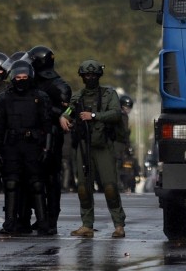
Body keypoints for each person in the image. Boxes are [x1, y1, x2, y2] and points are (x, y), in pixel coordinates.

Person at [59, 59, 126, 239]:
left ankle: (119, 224)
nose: (90, 78)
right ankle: (87, 224)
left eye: (93, 75)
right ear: (81, 76)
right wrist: (63, 118)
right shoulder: (77, 96)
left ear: (99, 76)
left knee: (110, 187)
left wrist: (94, 115)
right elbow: (69, 112)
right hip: (83, 146)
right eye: (87, 75)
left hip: (103, 145)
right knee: (83, 188)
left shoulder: (108, 94)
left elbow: (116, 113)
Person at [0, 61, 55, 235]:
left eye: (24, 77)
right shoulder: (4, 98)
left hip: (33, 145)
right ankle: (10, 223)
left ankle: (43, 223)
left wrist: (46, 148)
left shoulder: (40, 97)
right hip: (11, 145)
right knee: (11, 183)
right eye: (18, 77)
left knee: (36, 184)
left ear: (30, 77)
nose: (21, 80)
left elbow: (47, 125)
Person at [28, 45, 72, 234]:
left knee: (51, 179)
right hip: (34, 135)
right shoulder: (32, 81)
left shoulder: (58, 85)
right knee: (34, 178)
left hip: (52, 135)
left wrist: (48, 110)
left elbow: (66, 112)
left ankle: (51, 218)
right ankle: (40, 216)